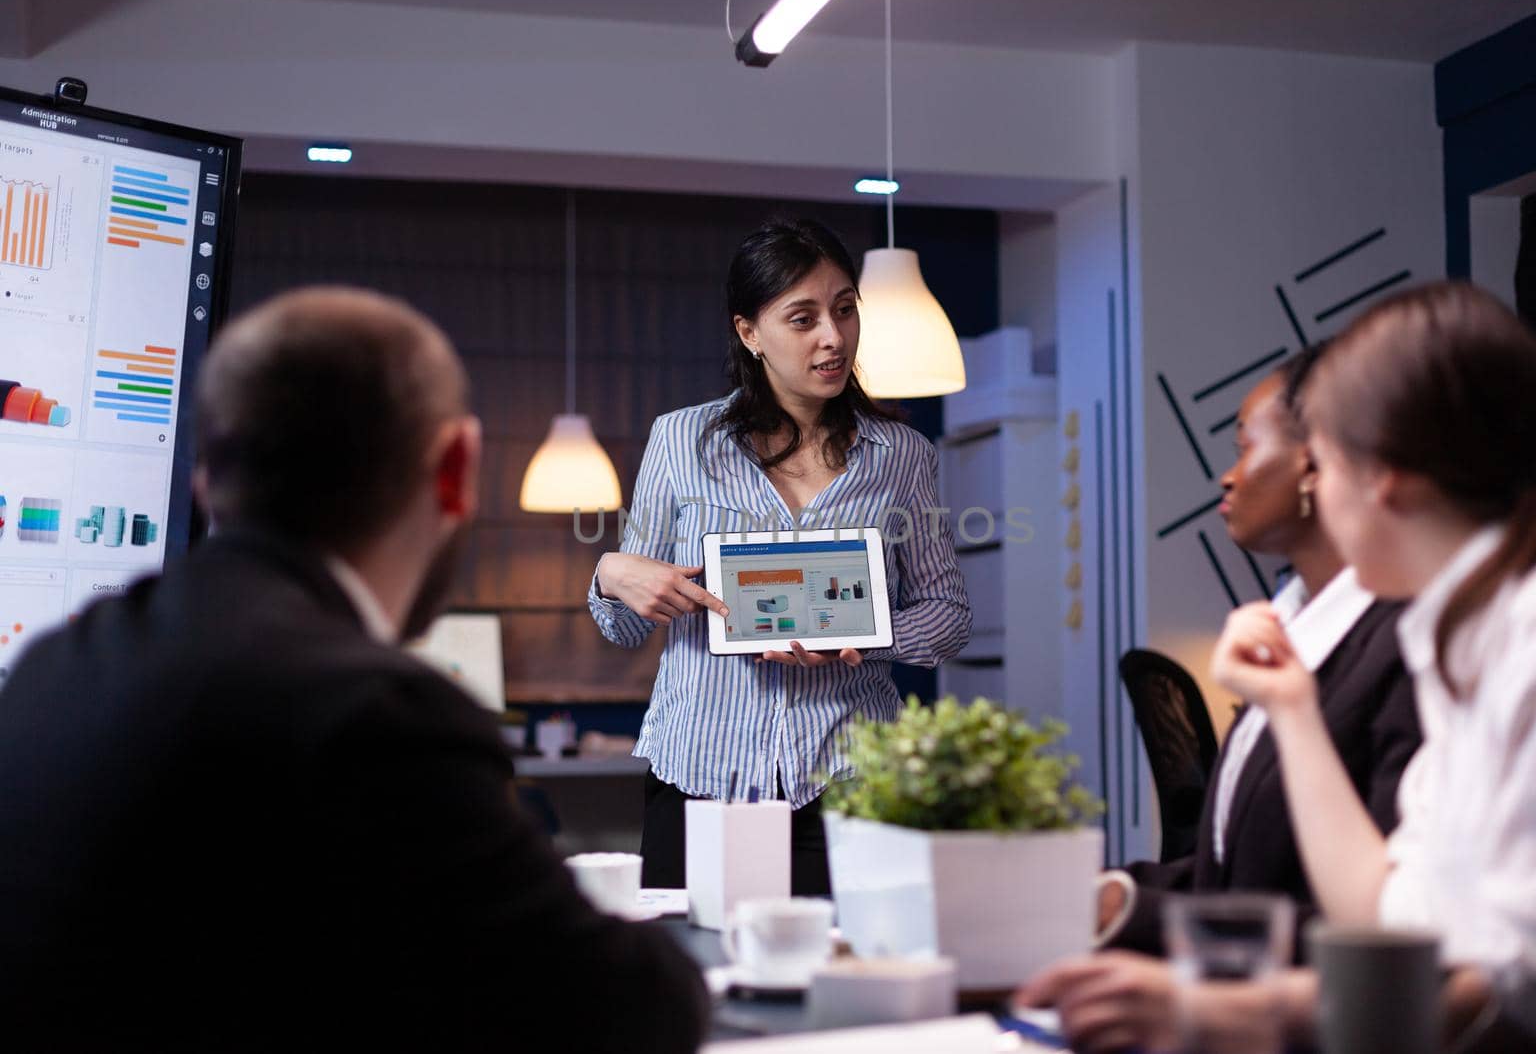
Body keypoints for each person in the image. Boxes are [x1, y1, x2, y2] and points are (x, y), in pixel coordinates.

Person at [0, 288, 709, 1051]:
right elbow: (627, 1010)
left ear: (207, 478)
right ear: (456, 470)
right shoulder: (382, 717)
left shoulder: (50, 668)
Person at [1022, 282, 1536, 1053]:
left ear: (1384, 473)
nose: (1316, 495)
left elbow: (1531, 984)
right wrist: (1291, 709)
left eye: (1321, 464)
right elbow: (1388, 920)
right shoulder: (1457, 630)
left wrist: (1234, 1013)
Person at [589, 219, 972, 893]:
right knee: (695, 977)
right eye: (803, 317)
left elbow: (949, 614)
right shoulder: (681, 441)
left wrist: (862, 636)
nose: (833, 336)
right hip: (702, 777)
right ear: (749, 332)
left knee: (849, 978)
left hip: (852, 782)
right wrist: (611, 572)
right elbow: (622, 626)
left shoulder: (902, 456)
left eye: (846, 309)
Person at [1097, 346, 1421, 957]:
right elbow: (1234, 873)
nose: (1229, 475)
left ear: (1314, 463)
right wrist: (1117, 898)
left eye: (1247, 447)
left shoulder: (1404, 649)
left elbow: (1385, 916)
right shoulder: (1289, 626)